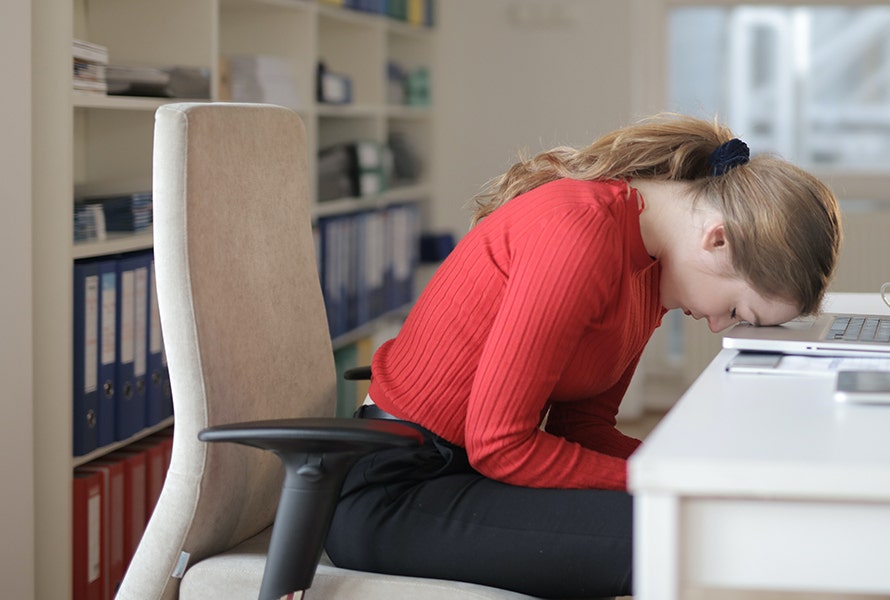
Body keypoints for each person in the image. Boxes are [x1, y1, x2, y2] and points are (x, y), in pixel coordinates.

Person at [325, 113, 843, 598]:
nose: (717, 325)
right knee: (687, 536)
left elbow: (584, 427)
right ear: (719, 239)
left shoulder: (650, 271)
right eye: (736, 309)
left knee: (701, 519)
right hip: (396, 492)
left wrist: (695, 471)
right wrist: (668, 479)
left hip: (467, 477)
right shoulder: (581, 230)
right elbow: (500, 445)